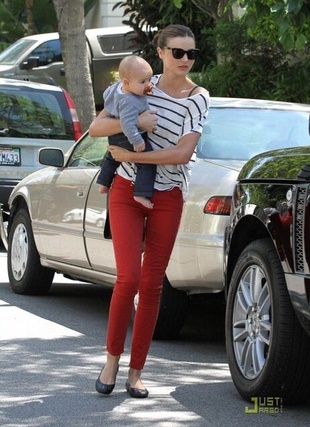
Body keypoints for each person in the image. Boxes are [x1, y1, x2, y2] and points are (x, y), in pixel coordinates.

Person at [89, 24, 210, 398]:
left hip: (169, 194)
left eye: (191, 53)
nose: (185, 60)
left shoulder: (198, 98)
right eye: (178, 52)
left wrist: (130, 152)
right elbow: (96, 127)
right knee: (128, 277)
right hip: (125, 189)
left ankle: (136, 371)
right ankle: (111, 360)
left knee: (152, 284)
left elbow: (182, 154)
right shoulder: (140, 82)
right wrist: (136, 125)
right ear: (161, 52)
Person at [97, 55, 156, 209]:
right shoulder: (130, 101)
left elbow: (107, 96)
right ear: (126, 82)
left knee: (112, 158)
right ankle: (140, 193)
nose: (148, 85)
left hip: (114, 137)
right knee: (146, 163)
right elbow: (127, 124)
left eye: (149, 80)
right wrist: (137, 140)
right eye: (142, 82)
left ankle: (103, 183)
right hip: (128, 137)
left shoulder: (116, 89)